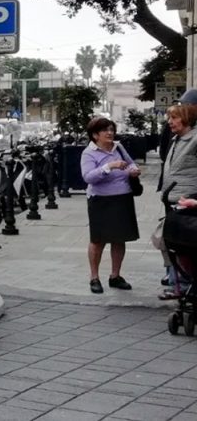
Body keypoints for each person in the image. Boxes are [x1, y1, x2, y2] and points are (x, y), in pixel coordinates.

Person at [81, 117, 142, 294]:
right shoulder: (89, 153)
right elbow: (88, 177)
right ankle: (94, 277)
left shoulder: (118, 147)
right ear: (95, 135)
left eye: (111, 129)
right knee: (98, 240)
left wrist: (133, 170)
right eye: (105, 130)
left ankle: (115, 276)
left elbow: (130, 163)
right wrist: (109, 166)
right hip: (101, 200)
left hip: (122, 198)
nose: (110, 133)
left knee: (119, 238)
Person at [158, 104, 197, 298]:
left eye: (174, 118)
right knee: (172, 242)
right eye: (169, 118)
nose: (170, 122)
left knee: (187, 244)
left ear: (186, 119)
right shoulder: (176, 139)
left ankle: (183, 283)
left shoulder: (195, 139)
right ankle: (178, 284)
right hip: (172, 199)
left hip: (188, 201)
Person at [158, 89, 197, 190]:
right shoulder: (172, 127)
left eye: (186, 104)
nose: (182, 107)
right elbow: (164, 152)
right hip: (171, 190)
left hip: (189, 194)